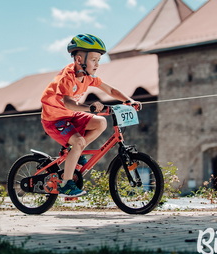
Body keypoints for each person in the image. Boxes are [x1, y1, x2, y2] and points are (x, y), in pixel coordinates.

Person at [40, 33, 141, 197]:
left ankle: (75, 152)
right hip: (54, 119)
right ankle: (66, 185)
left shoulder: (88, 77)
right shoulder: (67, 78)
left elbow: (110, 90)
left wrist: (129, 101)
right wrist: (90, 108)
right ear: (79, 59)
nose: (97, 64)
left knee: (101, 122)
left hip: (70, 116)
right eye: (94, 60)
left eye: (99, 60)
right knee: (79, 141)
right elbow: (68, 103)